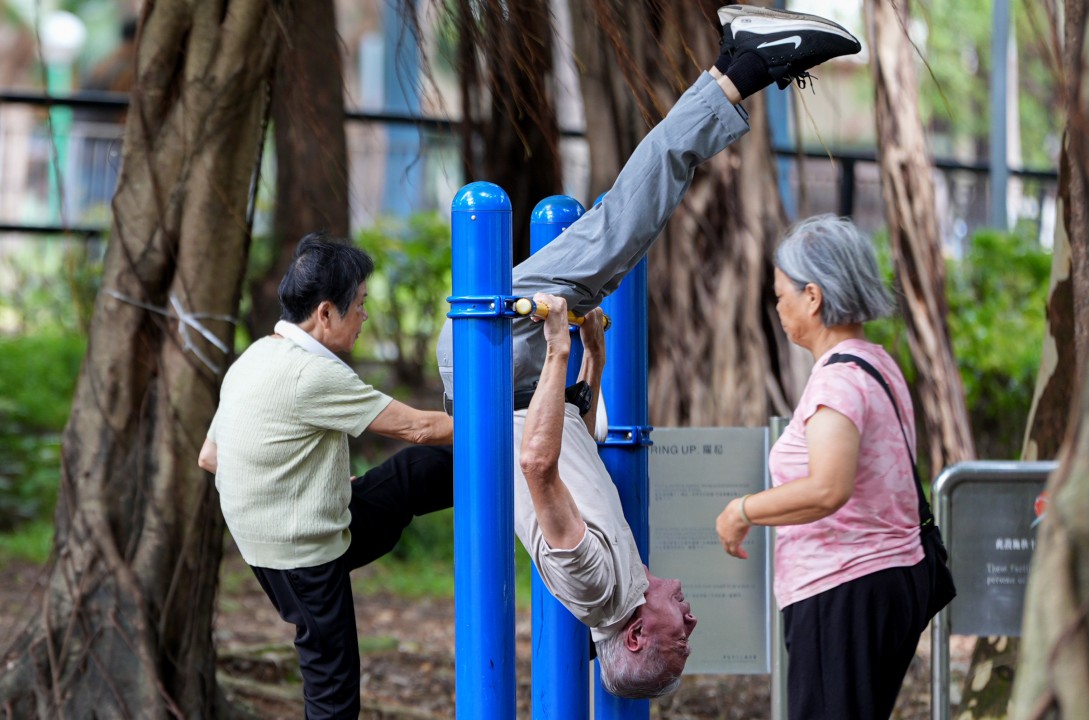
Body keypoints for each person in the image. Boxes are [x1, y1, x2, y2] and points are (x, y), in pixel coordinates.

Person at [436, 5, 863, 699]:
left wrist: (554, 350)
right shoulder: (621, 585)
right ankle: (736, 69)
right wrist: (592, 366)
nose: (692, 619)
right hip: (512, 382)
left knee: (615, 233)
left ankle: (740, 67)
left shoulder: (598, 586)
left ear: (636, 636)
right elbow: (570, 449)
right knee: (616, 237)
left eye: (679, 633)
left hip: (494, 359)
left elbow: (537, 466)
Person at [198, 234, 454, 719]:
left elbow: (211, 456)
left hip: (274, 541)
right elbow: (420, 427)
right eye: (358, 306)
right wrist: (518, 423)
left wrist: (308, 487)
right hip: (303, 554)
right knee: (333, 692)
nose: (364, 317)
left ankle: (500, 474)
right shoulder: (310, 374)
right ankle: (515, 456)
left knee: (405, 479)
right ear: (325, 313)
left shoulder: (253, 358)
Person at [714, 215, 935, 719]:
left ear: (812, 296)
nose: (778, 307)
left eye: (780, 294)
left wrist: (743, 510)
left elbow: (827, 489)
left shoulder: (837, 381)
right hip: (883, 579)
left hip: (844, 588)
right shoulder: (876, 363)